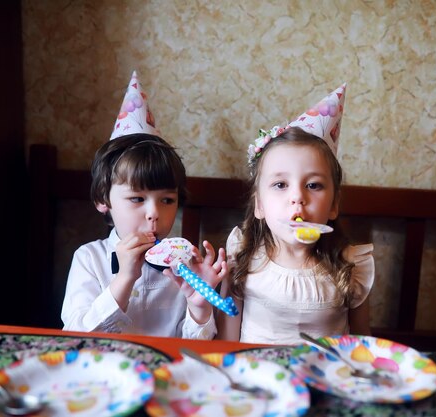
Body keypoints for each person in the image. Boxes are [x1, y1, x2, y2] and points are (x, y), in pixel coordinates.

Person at [61, 71, 225, 338]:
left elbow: (199, 347)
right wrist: (124, 277)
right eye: (137, 199)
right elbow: (76, 336)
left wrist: (199, 307)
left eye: (167, 200)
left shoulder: (186, 265)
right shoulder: (89, 259)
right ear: (103, 199)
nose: (154, 214)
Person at [216, 84, 374, 345]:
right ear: (260, 206)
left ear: (333, 205)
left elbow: (362, 346)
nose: (297, 197)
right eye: (280, 185)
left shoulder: (352, 266)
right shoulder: (242, 258)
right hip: (259, 378)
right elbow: (226, 340)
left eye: (313, 185)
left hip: (324, 379)